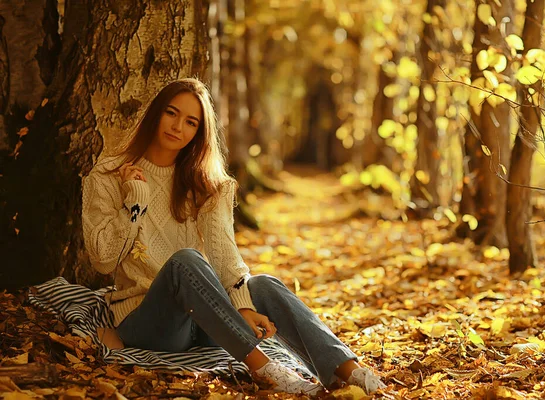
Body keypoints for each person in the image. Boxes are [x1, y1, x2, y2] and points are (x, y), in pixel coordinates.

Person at [81, 78, 385, 396]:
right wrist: (135, 201)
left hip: (204, 320)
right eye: (171, 113)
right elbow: (102, 261)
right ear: (155, 113)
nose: (177, 127)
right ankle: (265, 369)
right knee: (186, 260)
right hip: (151, 322)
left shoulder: (207, 184)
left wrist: (242, 306)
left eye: (190, 122)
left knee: (263, 285)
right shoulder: (109, 175)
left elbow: (224, 250)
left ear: (199, 133)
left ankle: (348, 374)